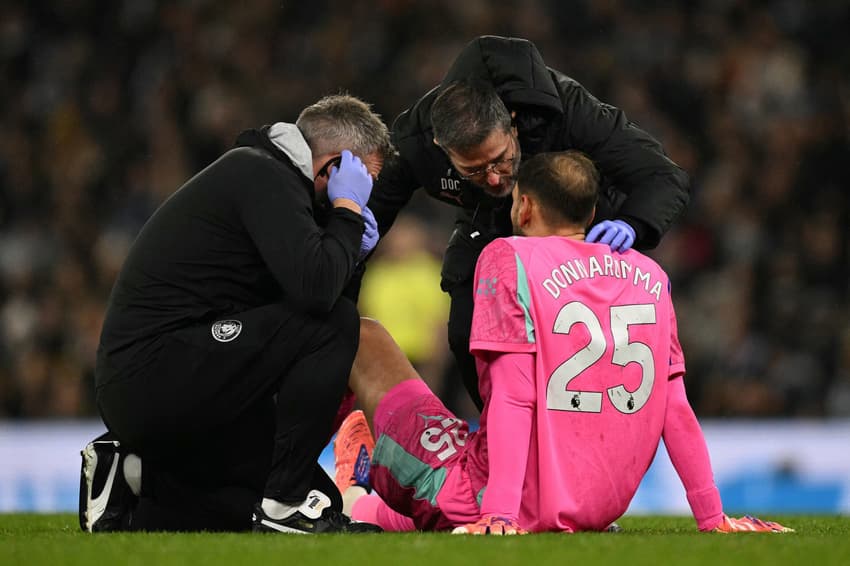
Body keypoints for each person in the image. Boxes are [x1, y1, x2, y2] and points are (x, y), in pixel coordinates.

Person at [333, 151, 792, 534]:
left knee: (362, 334)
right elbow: (675, 408)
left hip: (499, 495)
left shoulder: (509, 256)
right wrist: (713, 518)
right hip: (593, 509)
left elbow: (513, 395)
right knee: (437, 507)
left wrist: (499, 515)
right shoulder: (651, 275)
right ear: (591, 213)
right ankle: (373, 493)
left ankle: (339, 487)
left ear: (524, 206)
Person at [80, 94, 394, 533]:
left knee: (302, 500)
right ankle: (284, 507)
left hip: (185, 378)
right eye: (363, 180)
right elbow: (320, 300)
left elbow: (307, 305)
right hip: (152, 372)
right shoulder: (261, 174)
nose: (364, 198)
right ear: (333, 168)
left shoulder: (280, 187)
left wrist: (350, 252)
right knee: (335, 324)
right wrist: (345, 216)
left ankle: (130, 478)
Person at [366, 35, 690, 411]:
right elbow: (377, 204)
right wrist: (352, 237)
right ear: (441, 146)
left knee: (574, 335)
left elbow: (662, 175)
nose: (493, 179)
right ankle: (497, 432)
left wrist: (633, 224)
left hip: (578, 226)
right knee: (465, 332)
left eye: (501, 159)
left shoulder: (567, 110)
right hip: (488, 222)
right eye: (473, 170)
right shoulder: (415, 141)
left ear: (514, 123)